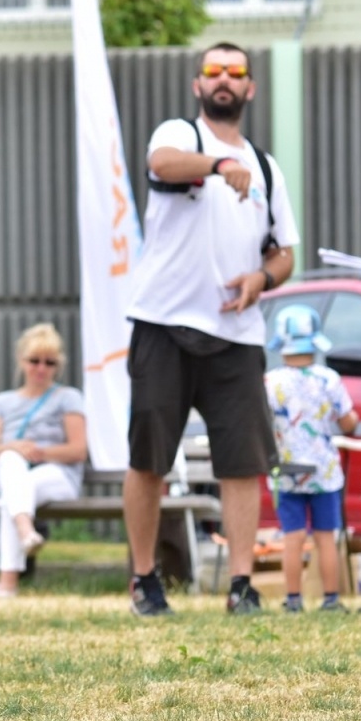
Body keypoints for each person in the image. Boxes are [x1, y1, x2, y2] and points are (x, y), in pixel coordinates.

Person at [124, 42, 300, 617]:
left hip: (238, 335)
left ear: (251, 88)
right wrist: (221, 166)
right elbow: (161, 166)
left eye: (236, 72)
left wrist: (262, 278)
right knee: (149, 457)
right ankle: (146, 580)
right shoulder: (182, 136)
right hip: (164, 324)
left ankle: (242, 586)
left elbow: (285, 252)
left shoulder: (267, 168)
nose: (224, 79)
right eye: (213, 70)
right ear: (197, 83)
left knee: (243, 462)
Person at [263, 305, 359, 613]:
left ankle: (293, 600)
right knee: (325, 537)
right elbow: (349, 422)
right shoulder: (328, 379)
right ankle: (331, 599)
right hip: (324, 472)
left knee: (292, 537)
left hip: (286, 471)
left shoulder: (270, 382)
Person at [0, 324, 87, 599]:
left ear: (58, 365)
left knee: (11, 497)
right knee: (9, 461)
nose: (41, 368)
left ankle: (7, 583)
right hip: (13, 470)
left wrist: (40, 452)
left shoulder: (68, 397)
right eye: (34, 361)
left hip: (58, 474)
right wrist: (15, 447)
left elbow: (78, 450)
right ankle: (26, 531)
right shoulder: (3, 402)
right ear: (21, 360)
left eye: (49, 362)